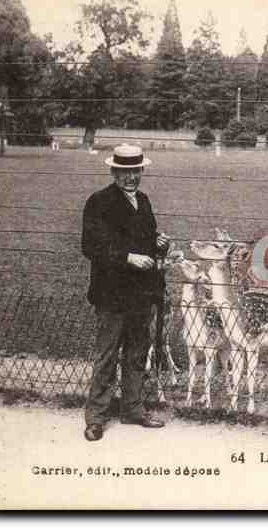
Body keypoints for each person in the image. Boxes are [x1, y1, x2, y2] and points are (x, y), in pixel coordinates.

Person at [81, 144, 170, 441]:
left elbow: (144, 238)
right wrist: (128, 258)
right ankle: (96, 417)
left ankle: (133, 409)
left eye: (135, 171)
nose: (131, 177)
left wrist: (158, 242)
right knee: (107, 355)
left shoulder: (142, 201)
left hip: (141, 294)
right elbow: (91, 246)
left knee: (136, 353)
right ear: (114, 172)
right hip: (112, 293)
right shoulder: (99, 202)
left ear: (141, 171)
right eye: (124, 172)